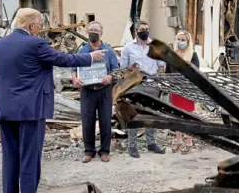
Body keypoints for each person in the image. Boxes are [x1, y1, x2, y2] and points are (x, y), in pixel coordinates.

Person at [0, 8, 105, 193]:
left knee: (10, 158)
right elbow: (61, 59)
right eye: (39, 26)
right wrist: (90, 58)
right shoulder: (35, 43)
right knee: (29, 158)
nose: (41, 29)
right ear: (31, 25)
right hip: (30, 110)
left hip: (5, 108)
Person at [71, 21, 118, 163]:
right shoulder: (82, 51)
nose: (93, 32)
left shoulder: (109, 51)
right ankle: (89, 151)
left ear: (101, 33)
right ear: (87, 32)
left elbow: (116, 70)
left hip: (104, 91)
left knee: (105, 121)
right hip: (87, 90)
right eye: (91, 30)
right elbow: (74, 68)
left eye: (96, 30)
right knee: (87, 121)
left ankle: (104, 151)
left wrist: (110, 77)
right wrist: (75, 79)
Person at [120, 20, 166, 158]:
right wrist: (132, 72)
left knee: (150, 115)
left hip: (152, 85)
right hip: (135, 87)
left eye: (147, 28)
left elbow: (161, 67)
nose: (145, 31)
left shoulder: (155, 46)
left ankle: (151, 143)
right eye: (142, 29)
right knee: (134, 114)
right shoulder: (128, 48)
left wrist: (160, 83)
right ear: (136, 31)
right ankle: (132, 145)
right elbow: (123, 69)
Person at [166, 30, 199, 154]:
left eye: (183, 40)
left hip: (188, 91)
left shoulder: (192, 55)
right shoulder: (172, 55)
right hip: (175, 91)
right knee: (176, 116)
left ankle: (189, 143)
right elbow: (167, 73)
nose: (180, 42)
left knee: (188, 117)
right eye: (178, 39)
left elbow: (196, 73)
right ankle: (178, 142)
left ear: (188, 42)